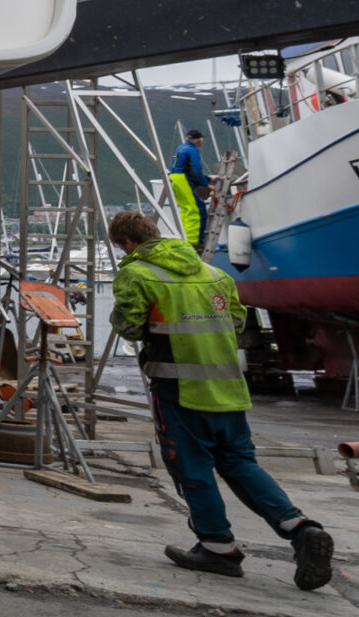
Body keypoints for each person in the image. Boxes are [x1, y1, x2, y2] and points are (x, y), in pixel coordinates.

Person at [108, 209, 333, 589]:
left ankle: (218, 547)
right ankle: (299, 527)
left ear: (127, 243)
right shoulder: (216, 275)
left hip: (180, 390)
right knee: (242, 464)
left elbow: (129, 324)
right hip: (228, 389)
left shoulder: (137, 274)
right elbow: (235, 323)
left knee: (192, 469)